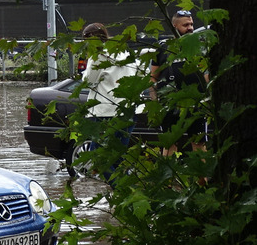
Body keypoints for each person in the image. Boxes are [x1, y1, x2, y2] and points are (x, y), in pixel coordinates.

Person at [78, 22, 140, 181]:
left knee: (99, 159)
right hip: (128, 111)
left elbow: (89, 82)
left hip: (104, 113)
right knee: (118, 158)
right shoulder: (124, 51)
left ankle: (122, 192)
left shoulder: (98, 56)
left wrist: (84, 73)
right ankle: (126, 198)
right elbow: (139, 74)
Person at [150, 10, 208, 155]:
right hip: (169, 104)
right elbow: (153, 77)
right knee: (170, 144)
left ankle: (202, 177)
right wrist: (155, 102)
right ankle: (167, 178)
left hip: (195, 103)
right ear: (174, 26)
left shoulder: (200, 46)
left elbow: (206, 73)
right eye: (186, 25)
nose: (190, 28)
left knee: (199, 143)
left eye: (191, 24)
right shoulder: (163, 47)